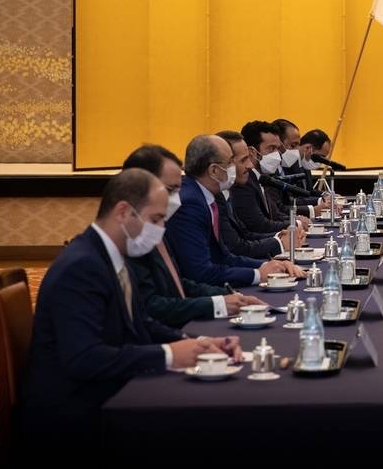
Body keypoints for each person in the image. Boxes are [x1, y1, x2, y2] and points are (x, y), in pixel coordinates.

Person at [21, 168, 242, 444]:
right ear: (123, 212)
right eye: (156, 219)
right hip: (73, 418)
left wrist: (197, 343)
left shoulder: (112, 254)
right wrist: (169, 355)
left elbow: (141, 322)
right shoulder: (81, 266)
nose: (162, 229)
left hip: (104, 392)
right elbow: (84, 358)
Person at [121, 144, 267, 327]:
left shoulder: (154, 225)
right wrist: (217, 304)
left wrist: (226, 295)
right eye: (171, 190)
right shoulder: (138, 234)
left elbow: (175, 281)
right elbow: (150, 306)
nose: (177, 197)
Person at [165, 134, 303, 287]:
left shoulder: (210, 195)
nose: (249, 166)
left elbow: (224, 256)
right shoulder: (190, 203)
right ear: (214, 170)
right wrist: (258, 274)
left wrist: (268, 266)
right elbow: (200, 272)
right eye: (232, 161)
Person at [216, 129, 304, 258]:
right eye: (243, 160)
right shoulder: (212, 198)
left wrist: (281, 237)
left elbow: (245, 235)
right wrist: (280, 242)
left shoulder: (225, 193)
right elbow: (238, 246)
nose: (250, 165)